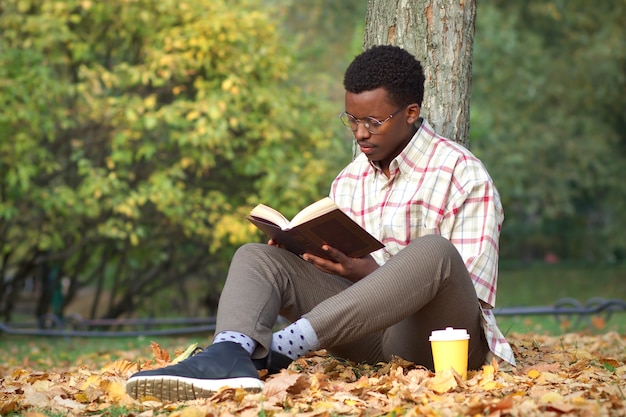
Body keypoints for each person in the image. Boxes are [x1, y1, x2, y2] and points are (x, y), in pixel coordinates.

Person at [125, 45, 516, 402]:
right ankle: (228, 355)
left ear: (410, 113)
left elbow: (470, 292)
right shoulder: (349, 181)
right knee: (255, 257)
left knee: (435, 252)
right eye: (352, 120)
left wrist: (369, 272)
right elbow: (340, 284)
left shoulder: (463, 174)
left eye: (374, 121)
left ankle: (278, 350)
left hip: (435, 340)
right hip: (361, 336)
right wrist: (304, 256)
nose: (361, 133)